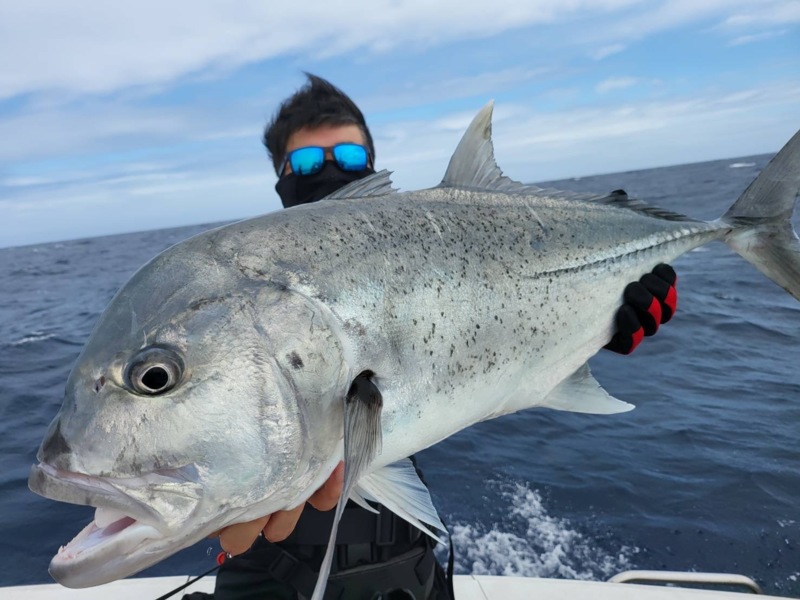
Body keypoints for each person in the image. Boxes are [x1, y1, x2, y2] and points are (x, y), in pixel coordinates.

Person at [189, 74, 679, 600]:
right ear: (281, 179)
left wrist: (594, 318)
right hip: (269, 572)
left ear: (372, 165)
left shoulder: (425, 252)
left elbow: (486, 323)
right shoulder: (239, 301)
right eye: (308, 163)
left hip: (411, 565)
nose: (329, 171)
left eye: (350, 157)